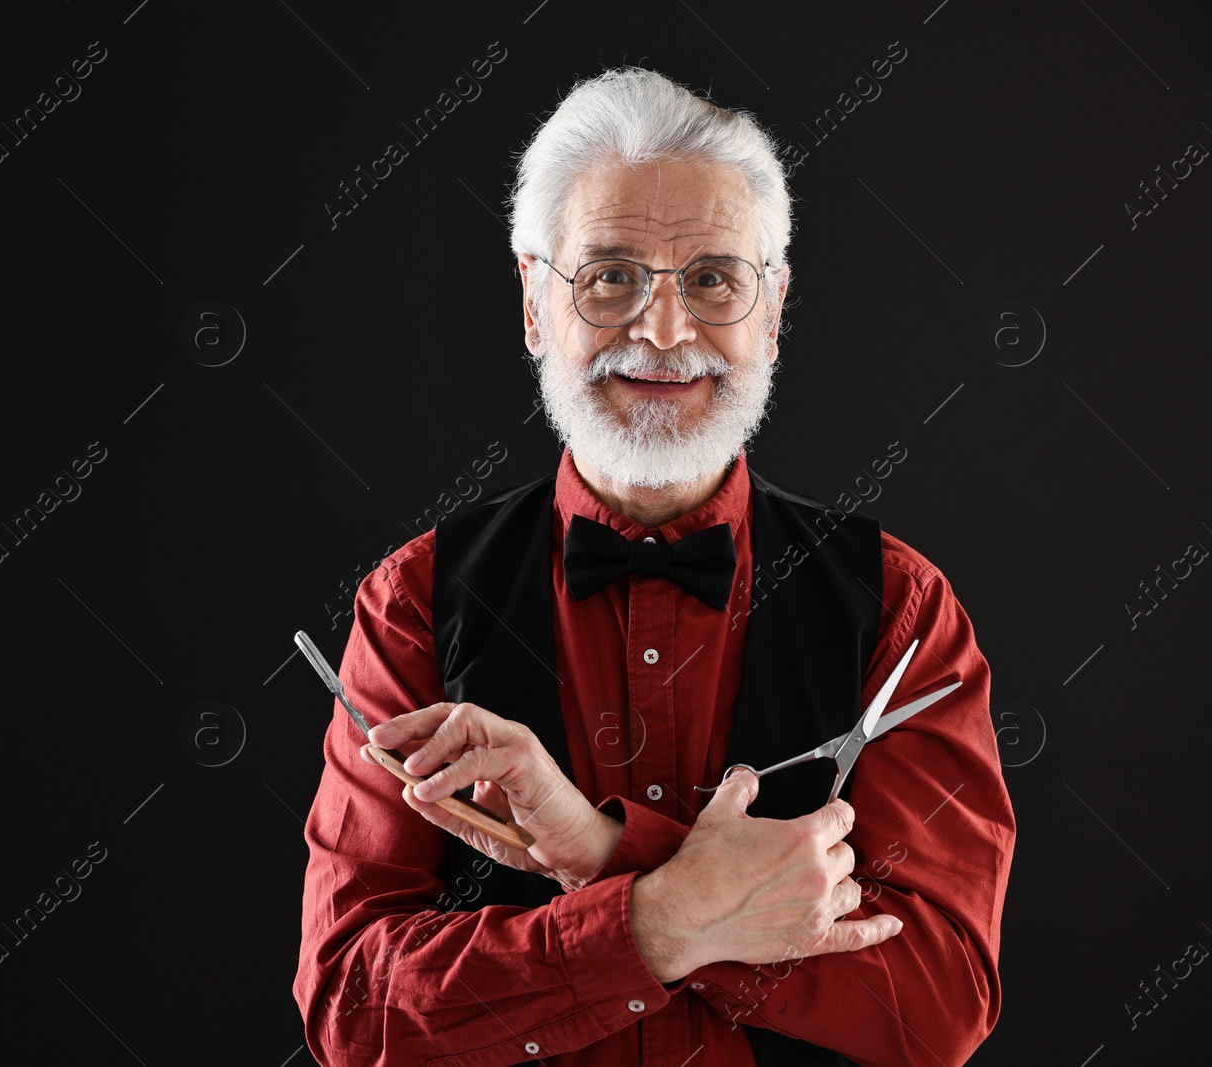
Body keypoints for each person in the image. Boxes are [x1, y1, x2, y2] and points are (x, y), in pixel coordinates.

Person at [293, 66, 1014, 1067]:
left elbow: (932, 1005)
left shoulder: (898, 609)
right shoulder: (413, 602)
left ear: (771, 310)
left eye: (713, 278)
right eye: (610, 275)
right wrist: (661, 921)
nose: (662, 333)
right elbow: (354, 1009)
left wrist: (605, 857)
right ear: (535, 302)